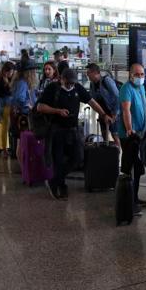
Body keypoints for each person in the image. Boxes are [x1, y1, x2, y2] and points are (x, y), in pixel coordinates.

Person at [37, 68, 109, 200]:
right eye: (68, 82)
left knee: (78, 157)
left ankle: (55, 179)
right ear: (61, 79)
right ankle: (59, 185)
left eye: (72, 83)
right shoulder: (53, 88)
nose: (70, 85)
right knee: (58, 160)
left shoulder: (77, 88)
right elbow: (40, 107)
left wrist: (103, 114)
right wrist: (57, 111)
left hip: (73, 130)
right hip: (56, 131)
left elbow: (91, 102)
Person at [118, 64, 146, 213]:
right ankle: (129, 200)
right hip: (129, 135)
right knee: (132, 166)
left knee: (137, 167)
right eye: (137, 74)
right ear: (130, 75)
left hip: (140, 134)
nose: (140, 77)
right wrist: (129, 129)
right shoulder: (126, 89)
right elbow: (126, 111)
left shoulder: (141, 88)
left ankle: (133, 197)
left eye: (142, 74)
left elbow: (143, 108)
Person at [87, 63, 120, 148]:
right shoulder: (92, 84)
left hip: (112, 112)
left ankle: (118, 154)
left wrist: (115, 113)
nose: (87, 75)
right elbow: (93, 99)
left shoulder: (106, 80)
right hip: (102, 113)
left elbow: (117, 96)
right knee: (104, 134)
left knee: (115, 134)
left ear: (95, 73)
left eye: (89, 72)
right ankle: (107, 153)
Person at [11, 62, 38, 158]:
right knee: (21, 143)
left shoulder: (21, 82)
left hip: (21, 114)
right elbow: (20, 98)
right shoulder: (23, 83)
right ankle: (24, 169)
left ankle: (24, 168)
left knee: (21, 142)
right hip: (24, 116)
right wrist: (29, 106)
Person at [0, 62, 16, 158]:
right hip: (5, 105)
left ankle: (11, 148)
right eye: (9, 72)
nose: (10, 74)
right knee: (5, 128)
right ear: (5, 71)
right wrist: (9, 86)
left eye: (12, 72)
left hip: (11, 104)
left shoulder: (14, 78)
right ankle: (4, 149)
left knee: (12, 128)